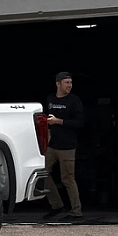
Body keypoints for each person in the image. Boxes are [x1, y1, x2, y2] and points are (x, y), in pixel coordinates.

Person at [42, 71, 84, 222]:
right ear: (58, 84)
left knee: (67, 179)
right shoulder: (50, 98)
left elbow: (80, 123)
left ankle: (76, 211)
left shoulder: (74, 101)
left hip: (67, 146)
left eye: (71, 83)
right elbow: (46, 119)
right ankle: (56, 205)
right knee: (42, 173)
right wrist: (46, 136)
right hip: (51, 145)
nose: (69, 86)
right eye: (66, 83)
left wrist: (58, 121)